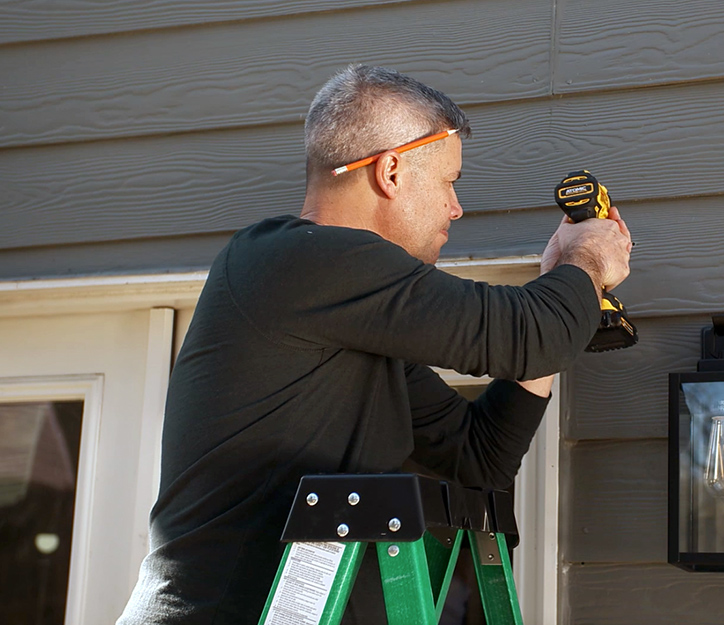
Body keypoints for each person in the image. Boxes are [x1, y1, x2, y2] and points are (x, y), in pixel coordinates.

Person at [118, 65, 631, 624]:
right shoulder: (293, 260)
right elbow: (527, 334)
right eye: (448, 182)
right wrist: (587, 259)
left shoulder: (345, 325)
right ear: (391, 171)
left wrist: (559, 299)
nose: (456, 208)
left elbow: (478, 456)